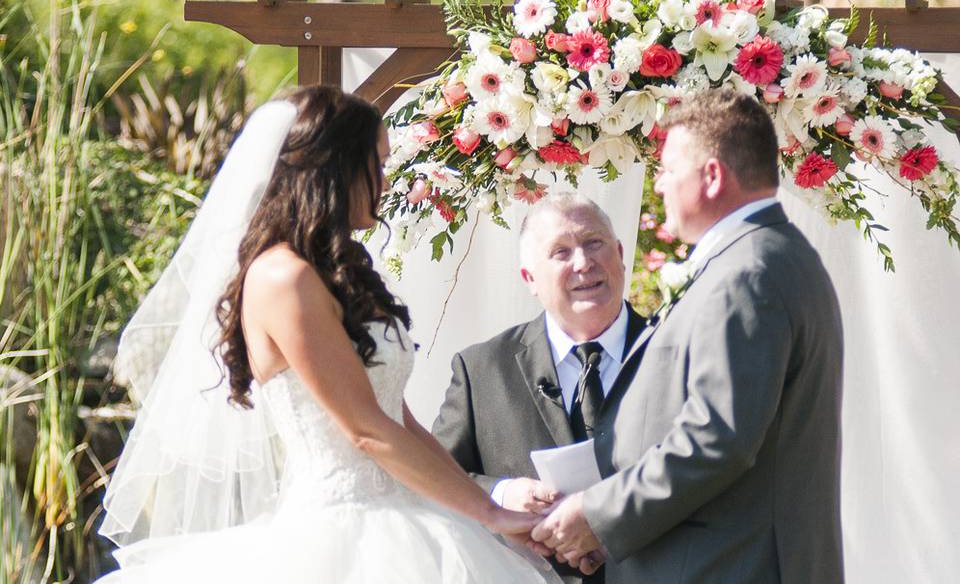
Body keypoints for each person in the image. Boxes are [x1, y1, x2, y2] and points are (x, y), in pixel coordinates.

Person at [95, 85, 561, 583]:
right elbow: (365, 430)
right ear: (334, 166)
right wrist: (489, 515)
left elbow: (399, 422)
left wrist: (483, 508)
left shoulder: (336, 275)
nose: (386, 179)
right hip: (339, 534)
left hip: (408, 515)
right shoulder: (283, 278)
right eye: (376, 164)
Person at [531, 89, 845, 583]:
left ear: (712, 176)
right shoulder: (766, 256)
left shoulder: (748, 273)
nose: (658, 185)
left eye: (667, 170)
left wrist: (599, 515)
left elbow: (717, 438)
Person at [433, 193, 646, 584]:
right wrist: (499, 495)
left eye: (593, 242)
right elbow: (435, 476)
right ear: (530, 279)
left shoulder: (676, 349)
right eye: (560, 252)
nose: (583, 262)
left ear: (619, 253)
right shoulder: (481, 369)